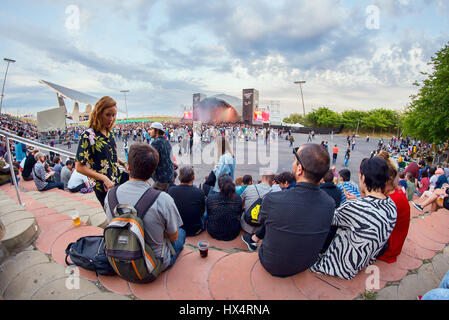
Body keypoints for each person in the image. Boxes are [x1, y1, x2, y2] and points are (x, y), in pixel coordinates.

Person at [241, 144, 335, 278]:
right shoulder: (329, 203)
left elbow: (261, 221)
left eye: (295, 160)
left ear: (299, 169)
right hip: (306, 264)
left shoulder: (274, 199)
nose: (293, 163)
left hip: (271, 262)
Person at [311, 157, 397, 280]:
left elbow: (326, 218)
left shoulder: (354, 207)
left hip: (337, 267)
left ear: (363, 177)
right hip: (362, 262)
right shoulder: (391, 205)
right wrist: (358, 202)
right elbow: (369, 212)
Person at [104, 143, 185, 272]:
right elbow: (173, 237)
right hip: (153, 264)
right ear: (153, 171)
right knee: (181, 233)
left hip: (118, 257)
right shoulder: (163, 199)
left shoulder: (110, 195)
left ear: (128, 167)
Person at [75, 96, 129, 207]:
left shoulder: (109, 133)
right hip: (104, 186)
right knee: (115, 215)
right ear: (99, 114)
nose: (111, 119)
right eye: (108, 115)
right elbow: (79, 167)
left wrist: (123, 163)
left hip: (116, 179)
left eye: (114, 115)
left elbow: (109, 155)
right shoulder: (88, 136)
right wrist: (104, 178)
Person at [376, 151, 410, 263]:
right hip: (392, 243)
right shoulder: (395, 193)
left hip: (388, 249)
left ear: (388, 180)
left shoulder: (392, 200)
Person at [167, 166, 206, 236]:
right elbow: (202, 212)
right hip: (194, 230)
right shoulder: (200, 192)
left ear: (179, 178)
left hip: (177, 228)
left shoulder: (171, 190)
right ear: (193, 178)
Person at [206, 174, 242, 241]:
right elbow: (239, 213)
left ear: (219, 186)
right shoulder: (238, 198)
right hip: (233, 232)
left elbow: (209, 213)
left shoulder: (211, 198)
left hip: (213, 231)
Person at [150, 122, 174, 192]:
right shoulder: (166, 141)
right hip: (169, 177)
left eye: (151, 129)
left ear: (157, 131)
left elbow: (151, 161)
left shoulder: (155, 143)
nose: (149, 131)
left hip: (161, 180)